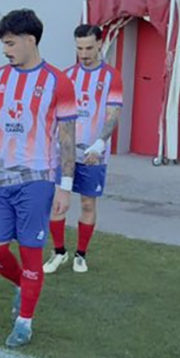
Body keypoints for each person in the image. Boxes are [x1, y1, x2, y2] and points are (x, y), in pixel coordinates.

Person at [0, 8, 77, 349]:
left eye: (11, 43)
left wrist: (65, 185)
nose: (6, 50)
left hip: (38, 179)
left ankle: (24, 322)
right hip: (0, 179)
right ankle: (23, 286)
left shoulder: (58, 82)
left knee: (32, 255)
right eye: (3, 44)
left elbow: (67, 137)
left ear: (31, 40)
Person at [44, 25, 123, 275]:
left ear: (100, 44)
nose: (84, 53)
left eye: (89, 47)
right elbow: (54, 113)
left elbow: (113, 115)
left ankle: (81, 254)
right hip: (65, 153)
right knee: (58, 203)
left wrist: (99, 145)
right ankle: (58, 252)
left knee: (88, 204)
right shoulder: (66, 76)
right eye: (79, 48)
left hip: (93, 156)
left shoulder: (112, 77)